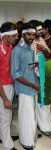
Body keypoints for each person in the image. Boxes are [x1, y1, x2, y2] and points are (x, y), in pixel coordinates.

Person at [11, 23, 39, 150]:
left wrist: (37, 65)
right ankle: (26, 142)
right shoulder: (17, 50)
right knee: (25, 117)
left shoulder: (31, 48)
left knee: (32, 115)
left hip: (33, 87)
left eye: (33, 34)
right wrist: (32, 84)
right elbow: (15, 74)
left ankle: (31, 137)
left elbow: (30, 67)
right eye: (29, 34)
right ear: (22, 34)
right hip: (24, 89)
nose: (31, 37)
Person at [0, 22, 18, 150]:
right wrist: (5, 98)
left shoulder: (10, 46)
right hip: (3, 87)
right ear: (5, 36)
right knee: (5, 117)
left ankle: (5, 136)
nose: (16, 37)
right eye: (14, 35)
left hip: (10, 85)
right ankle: (7, 145)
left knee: (7, 115)